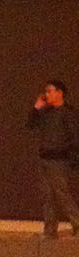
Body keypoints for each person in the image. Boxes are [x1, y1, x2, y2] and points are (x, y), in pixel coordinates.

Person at [27, 80, 79, 237]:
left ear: (59, 93)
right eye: (46, 91)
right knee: (47, 196)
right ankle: (50, 230)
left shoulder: (68, 113)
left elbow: (74, 137)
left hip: (59, 160)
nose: (47, 94)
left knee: (62, 194)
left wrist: (70, 156)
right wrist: (36, 108)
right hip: (44, 159)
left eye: (50, 91)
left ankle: (77, 223)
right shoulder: (45, 112)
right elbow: (30, 125)